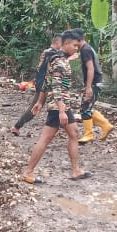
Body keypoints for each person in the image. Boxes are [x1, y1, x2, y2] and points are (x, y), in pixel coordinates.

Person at [20, 31, 92, 184]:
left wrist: (40, 102)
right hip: (58, 106)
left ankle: (75, 170)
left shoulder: (58, 59)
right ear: (66, 44)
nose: (76, 49)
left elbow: (47, 82)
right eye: (74, 45)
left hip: (62, 105)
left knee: (74, 133)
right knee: (46, 139)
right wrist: (61, 111)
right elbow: (56, 86)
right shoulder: (59, 62)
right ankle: (28, 172)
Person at [11, 34, 62, 136]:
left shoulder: (47, 52)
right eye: (62, 44)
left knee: (57, 106)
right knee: (35, 107)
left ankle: (58, 129)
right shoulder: (51, 53)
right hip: (45, 84)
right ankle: (16, 126)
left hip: (44, 83)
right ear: (57, 43)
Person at [69, 29, 113, 143]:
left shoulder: (85, 50)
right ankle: (106, 126)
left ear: (78, 40)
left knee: (85, 108)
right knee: (87, 107)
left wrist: (88, 87)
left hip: (94, 82)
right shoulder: (87, 48)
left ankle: (89, 134)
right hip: (95, 82)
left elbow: (90, 68)